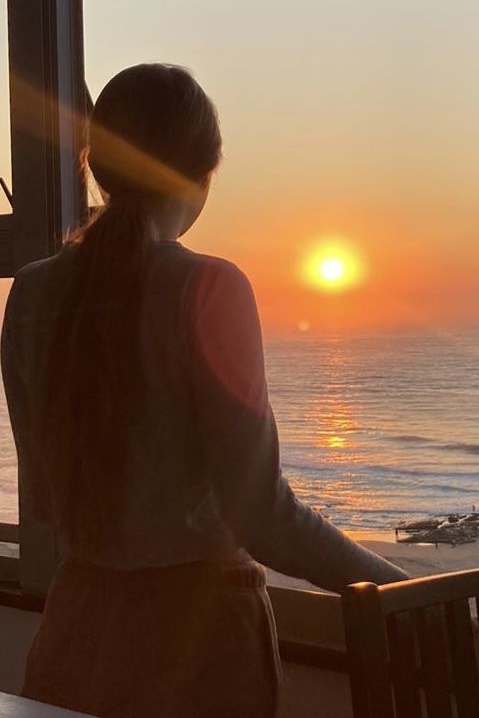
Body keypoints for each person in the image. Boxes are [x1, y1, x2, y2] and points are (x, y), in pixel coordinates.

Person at [1, 64, 407, 718]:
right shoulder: (207, 288)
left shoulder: (30, 294)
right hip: (198, 646)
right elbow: (265, 519)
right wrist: (402, 593)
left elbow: (46, 501)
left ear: (98, 165)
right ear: (202, 173)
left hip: (77, 635)